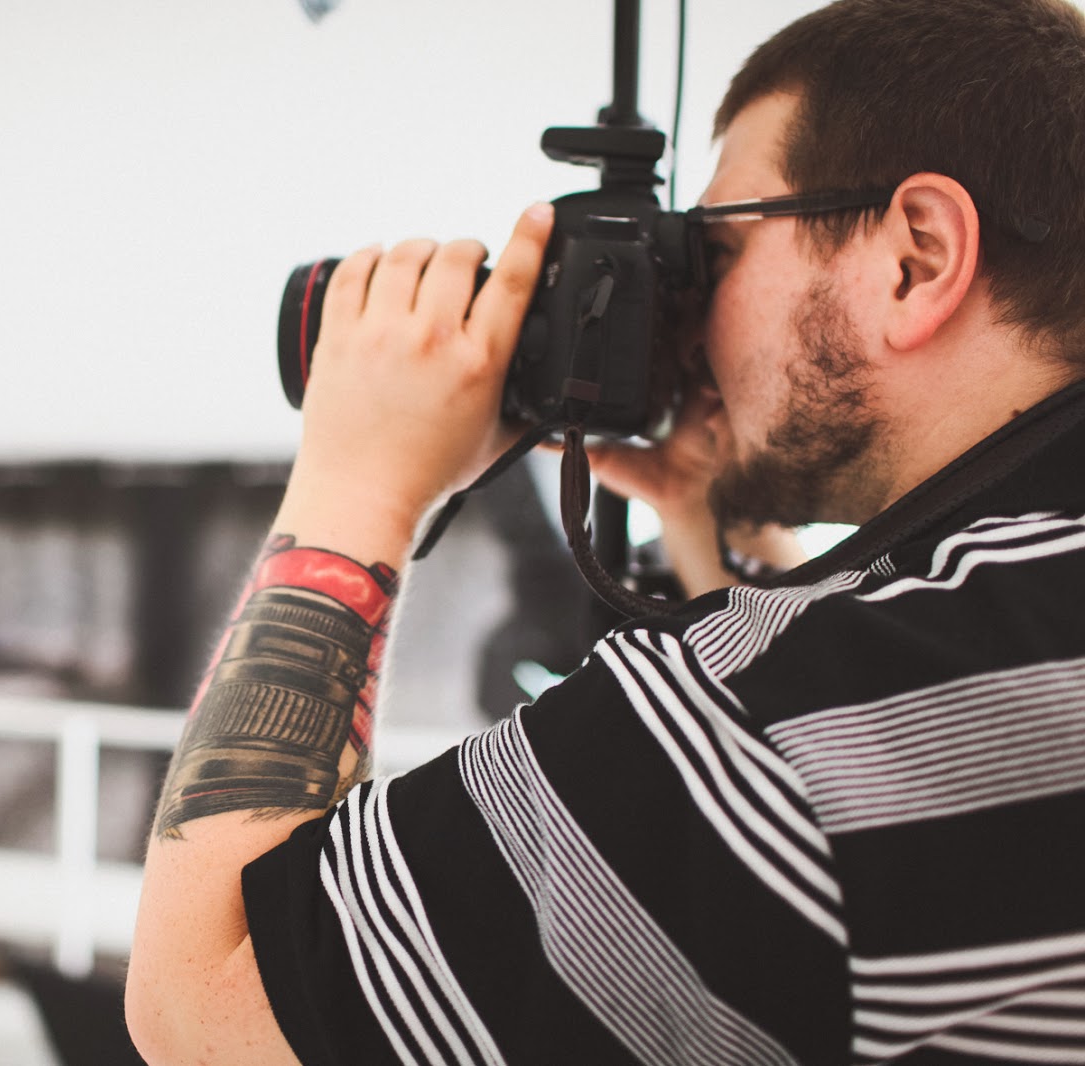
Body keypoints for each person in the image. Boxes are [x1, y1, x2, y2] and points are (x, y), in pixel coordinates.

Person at [126, 0, 1085, 1061]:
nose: (690, 325)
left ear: (915, 256)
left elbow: (204, 1009)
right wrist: (697, 519)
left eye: (716, 252)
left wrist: (359, 476)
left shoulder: (787, 740)